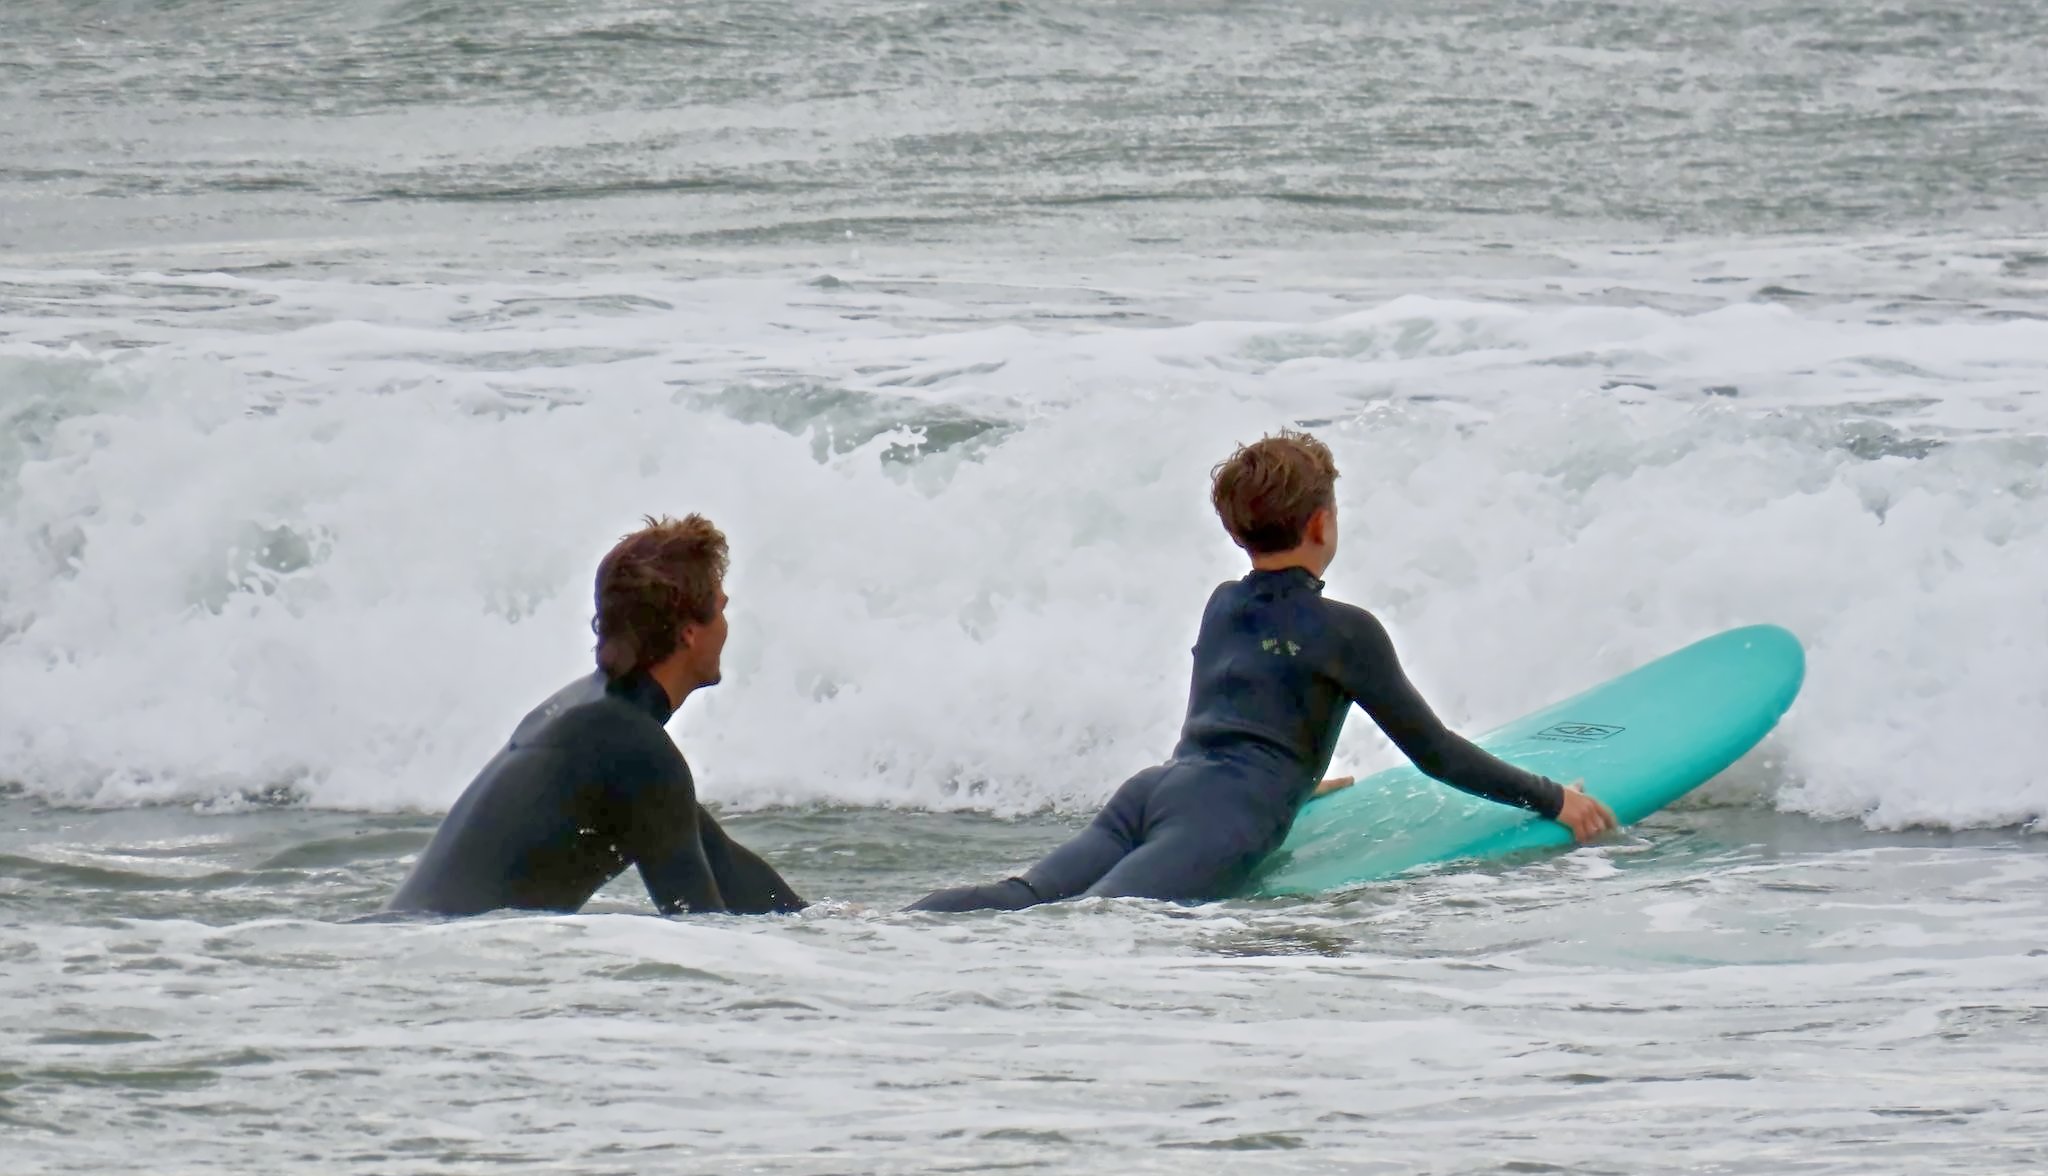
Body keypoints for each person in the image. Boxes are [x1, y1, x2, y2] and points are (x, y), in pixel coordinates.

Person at [910, 430, 1616, 912]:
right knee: (1094, 924)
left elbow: (1243, 718)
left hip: (1156, 793)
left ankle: (846, 923)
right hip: (1219, 819)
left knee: (1029, 899)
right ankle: (840, 936)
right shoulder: (1347, 631)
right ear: (1320, 525)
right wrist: (1553, 799)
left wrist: (1298, 781)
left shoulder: (1223, 605)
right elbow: (1434, 753)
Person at [385, 516, 805, 918]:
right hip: (445, 964)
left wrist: (827, 922)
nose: (728, 625)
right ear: (689, 633)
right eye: (721, 607)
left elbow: (721, 862)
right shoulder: (632, 746)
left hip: (407, 947)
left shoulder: (589, 718)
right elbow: (701, 931)